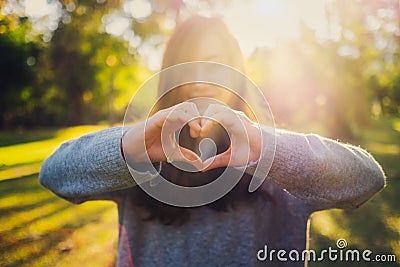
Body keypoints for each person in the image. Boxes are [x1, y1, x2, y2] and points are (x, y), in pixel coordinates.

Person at [39, 16, 386, 267]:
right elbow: (54, 174)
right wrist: (133, 149)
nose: (201, 79)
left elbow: (367, 180)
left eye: (216, 64)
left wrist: (266, 150)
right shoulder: (137, 163)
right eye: (187, 66)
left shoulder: (281, 167)